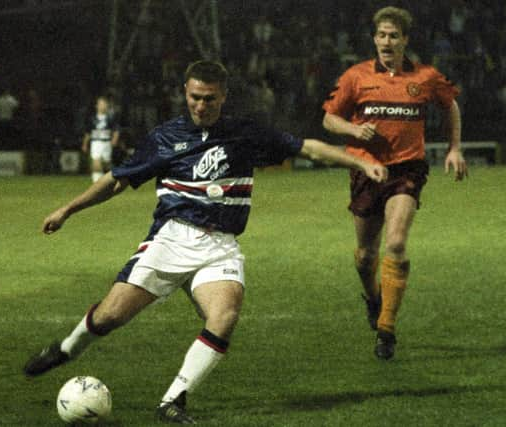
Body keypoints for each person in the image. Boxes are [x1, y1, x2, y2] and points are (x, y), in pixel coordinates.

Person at [23, 60, 387, 424]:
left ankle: (173, 401)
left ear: (223, 97)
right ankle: (66, 349)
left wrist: (356, 163)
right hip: (172, 239)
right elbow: (118, 180)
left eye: (210, 99)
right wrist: (68, 209)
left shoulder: (244, 133)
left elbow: (306, 147)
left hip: (220, 246)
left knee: (224, 315)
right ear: (185, 93)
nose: (201, 105)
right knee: (109, 316)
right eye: (195, 97)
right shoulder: (164, 138)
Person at [322, 6, 468, 361]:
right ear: (375, 39)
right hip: (366, 171)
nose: (387, 42)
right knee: (364, 257)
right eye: (382, 35)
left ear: (405, 40)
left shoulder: (425, 77)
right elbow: (329, 119)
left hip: (407, 170)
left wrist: (454, 148)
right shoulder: (356, 77)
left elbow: (450, 105)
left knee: (398, 243)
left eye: (394, 36)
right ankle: (373, 299)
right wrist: (355, 129)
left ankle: (386, 327)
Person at [81, 96, 121, 182]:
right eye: (101, 104)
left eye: (104, 104)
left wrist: (115, 139)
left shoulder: (111, 118)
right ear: (97, 106)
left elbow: (116, 130)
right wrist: (85, 143)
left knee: (106, 164)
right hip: (96, 142)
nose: (102, 106)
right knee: (96, 163)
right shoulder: (92, 119)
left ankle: (109, 179)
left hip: (106, 143)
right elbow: (88, 132)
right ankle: (97, 184)